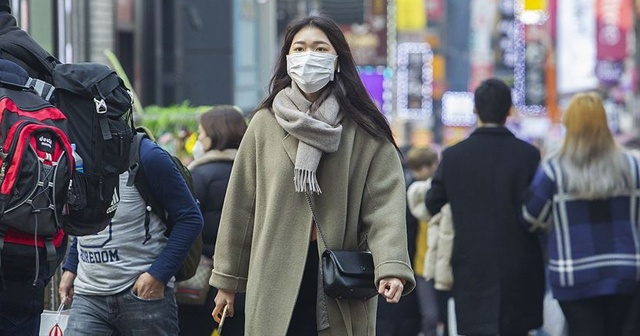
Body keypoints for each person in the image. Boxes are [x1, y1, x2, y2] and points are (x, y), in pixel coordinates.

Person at [209, 15, 416, 336]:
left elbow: (385, 206)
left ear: (337, 61)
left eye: (320, 49)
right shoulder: (264, 124)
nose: (309, 57)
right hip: (273, 271)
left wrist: (390, 266)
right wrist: (227, 282)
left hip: (338, 274)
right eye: (300, 48)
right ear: (288, 60)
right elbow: (241, 207)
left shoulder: (363, 128)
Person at [425, 78, 545, 336]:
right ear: (509, 110)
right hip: (520, 267)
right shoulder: (528, 155)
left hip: (470, 267)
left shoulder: (454, 156)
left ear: (475, 110)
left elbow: (432, 202)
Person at [57, 132, 203, 335]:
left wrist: (157, 275)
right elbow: (89, 222)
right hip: (88, 296)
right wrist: (71, 267)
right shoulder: (76, 155)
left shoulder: (147, 155)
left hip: (143, 296)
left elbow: (190, 219)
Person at [522, 92, 640, 336]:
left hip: (573, 273)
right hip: (625, 272)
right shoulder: (632, 166)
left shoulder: (554, 170)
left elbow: (531, 218)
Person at [178, 106, 247, 336]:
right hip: (244, 278)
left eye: (202, 133)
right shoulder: (252, 171)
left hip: (201, 281)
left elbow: (185, 224)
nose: (199, 140)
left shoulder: (199, 175)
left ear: (215, 135)